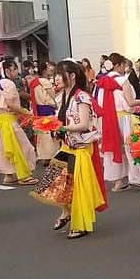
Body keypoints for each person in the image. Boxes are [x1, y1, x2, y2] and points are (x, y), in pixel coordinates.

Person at [31, 60, 107, 239]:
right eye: (55, 74)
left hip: (81, 147)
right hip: (67, 145)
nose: (55, 78)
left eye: (59, 74)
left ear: (72, 76)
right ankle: (66, 212)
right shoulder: (63, 96)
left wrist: (60, 127)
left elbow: (83, 124)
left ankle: (80, 223)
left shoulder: (82, 97)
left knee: (78, 187)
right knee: (59, 180)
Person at [93, 53, 140, 192]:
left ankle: (118, 182)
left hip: (107, 119)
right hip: (125, 118)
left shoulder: (100, 82)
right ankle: (136, 178)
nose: (125, 67)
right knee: (132, 147)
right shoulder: (123, 80)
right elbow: (131, 102)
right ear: (118, 65)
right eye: (124, 64)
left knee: (113, 149)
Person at [0, 60, 38, 186]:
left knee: (6, 148)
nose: (17, 72)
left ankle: (9, 175)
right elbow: (10, 104)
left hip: (1, 118)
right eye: (15, 69)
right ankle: (23, 175)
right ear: (8, 70)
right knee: (22, 147)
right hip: (8, 119)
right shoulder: (8, 83)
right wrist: (26, 112)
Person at [29, 61, 59, 164]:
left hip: (38, 110)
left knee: (42, 134)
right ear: (45, 70)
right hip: (47, 109)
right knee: (50, 134)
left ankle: (44, 156)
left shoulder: (33, 82)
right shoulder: (45, 82)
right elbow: (52, 95)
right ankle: (51, 156)